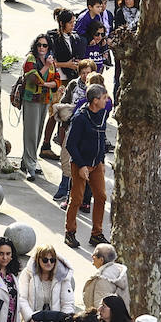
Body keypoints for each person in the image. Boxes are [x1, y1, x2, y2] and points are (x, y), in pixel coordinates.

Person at [64, 84, 112, 248]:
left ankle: (96, 234)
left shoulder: (103, 114)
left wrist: (102, 161)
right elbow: (71, 145)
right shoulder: (80, 118)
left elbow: (101, 140)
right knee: (77, 199)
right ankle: (70, 232)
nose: (108, 100)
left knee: (101, 196)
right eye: (105, 97)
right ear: (95, 100)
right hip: (80, 164)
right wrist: (82, 166)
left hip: (96, 163)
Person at [21, 34, 62, 181]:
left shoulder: (51, 60)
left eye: (45, 45)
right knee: (31, 133)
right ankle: (31, 166)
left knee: (38, 133)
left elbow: (57, 81)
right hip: (31, 99)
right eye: (39, 45)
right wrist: (45, 67)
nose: (42, 48)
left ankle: (26, 161)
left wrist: (46, 84)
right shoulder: (31, 59)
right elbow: (33, 77)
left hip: (44, 100)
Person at [18, 243, 76, 322]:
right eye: (45, 260)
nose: (49, 263)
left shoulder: (62, 276)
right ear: (38, 260)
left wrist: (65, 321)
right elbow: (22, 298)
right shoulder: (27, 274)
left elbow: (67, 303)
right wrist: (30, 317)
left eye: (52, 260)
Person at [84, 242, 130, 308]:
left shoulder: (103, 279)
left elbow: (101, 307)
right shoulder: (117, 271)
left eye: (94, 254)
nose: (92, 256)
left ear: (101, 259)